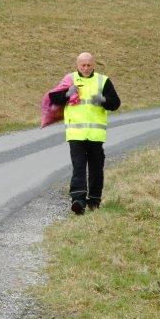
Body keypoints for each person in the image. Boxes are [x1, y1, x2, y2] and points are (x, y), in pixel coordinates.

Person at [49, 52, 121, 215]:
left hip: (96, 135)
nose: (86, 68)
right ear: (77, 65)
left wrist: (103, 100)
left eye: (89, 65)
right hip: (76, 134)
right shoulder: (70, 79)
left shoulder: (103, 81)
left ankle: (94, 200)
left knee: (96, 168)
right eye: (83, 65)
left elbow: (115, 103)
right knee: (79, 167)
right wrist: (67, 94)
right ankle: (78, 201)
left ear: (93, 65)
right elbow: (53, 98)